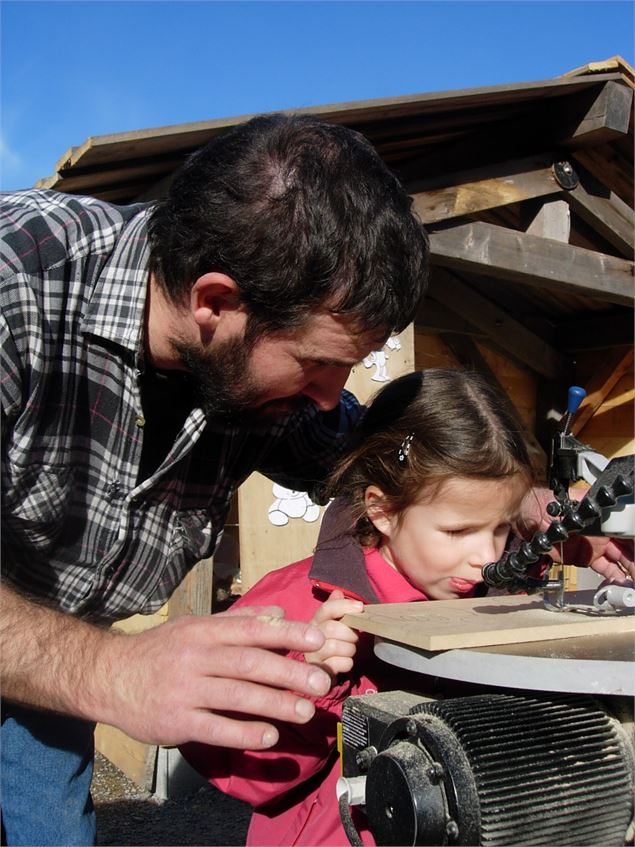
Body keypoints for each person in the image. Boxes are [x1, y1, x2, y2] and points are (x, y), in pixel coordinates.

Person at [0, 113, 430, 846]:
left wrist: (520, 498)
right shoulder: (17, 280)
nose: (331, 395)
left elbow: (366, 451)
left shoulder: (253, 373)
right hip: (70, 656)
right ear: (215, 302)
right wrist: (113, 669)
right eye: (318, 363)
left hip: (47, 659)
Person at [181, 368, 634, 846]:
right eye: (458, 532)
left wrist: (569, 545)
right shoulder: (291, 610)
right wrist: (309, 684)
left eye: (500, 529)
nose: (485, 556)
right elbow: (238, 771)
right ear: (383, 511)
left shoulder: (492, 585)